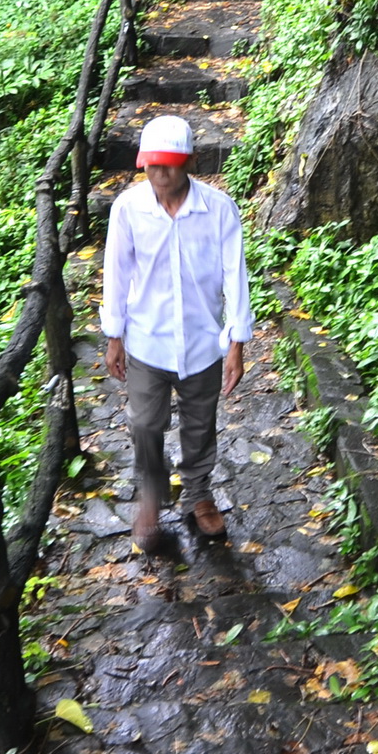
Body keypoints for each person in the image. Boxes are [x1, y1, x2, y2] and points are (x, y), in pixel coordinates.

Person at [99, 113, 253, 549]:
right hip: (147, 338)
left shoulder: (219, 209)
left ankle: (198, 495)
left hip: (202, 340)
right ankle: (151, 494)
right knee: (145, 424)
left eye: (169, 164)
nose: (160, 174)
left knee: (200, 423)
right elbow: (117, 273)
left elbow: (233, 275)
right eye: (152, 164)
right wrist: (114, 335)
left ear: (191, 162)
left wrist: (237, 342)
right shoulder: (129, 208)